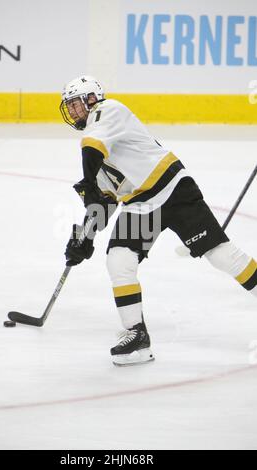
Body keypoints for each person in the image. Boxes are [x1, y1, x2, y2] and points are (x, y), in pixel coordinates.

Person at [60, 75, 257, 367]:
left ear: (91, 99)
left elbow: (91, 149)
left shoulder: (109, 110)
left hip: (173, 189)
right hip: (141, 205)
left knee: (219, 255)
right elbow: (105, 201)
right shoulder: (94, 152)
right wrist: (84, 238)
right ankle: (137, 337)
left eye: (76, 104)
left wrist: (89, 185)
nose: (73, 111)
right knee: (118, 260)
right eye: (70, 107)